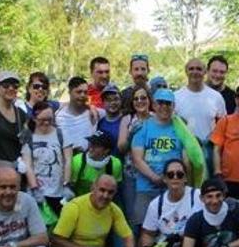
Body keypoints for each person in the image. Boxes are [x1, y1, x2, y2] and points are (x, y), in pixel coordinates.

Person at [140, 160, 203, 247]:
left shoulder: (197, 196)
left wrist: (181, 236)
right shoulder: (155, 205)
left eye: (179, 174)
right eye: (170, 174)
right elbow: (147, 234)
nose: (175, 177)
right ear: (164, 178)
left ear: (185, 178)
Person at [130, 89, 187, 232]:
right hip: (146, 188)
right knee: (144, 229)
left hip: (173, 187)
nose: (164, 107)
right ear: (154, 105)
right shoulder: (143, 127)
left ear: (173, 106)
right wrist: (154, 178)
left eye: (168, 103)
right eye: (160, 103)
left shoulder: (181, 128)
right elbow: (137, 159)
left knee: (172, 229)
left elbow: (186, 158)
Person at [174, 58, 226, 170]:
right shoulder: (176, 97)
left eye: (199, 69)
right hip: (183, 151)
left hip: (208, 150)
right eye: (191, 69)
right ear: (186, 71)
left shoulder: (216, 97)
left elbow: (223, 125)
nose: (195, 72)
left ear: (205, 72)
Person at [22, 101, 73, 216]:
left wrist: (66, 184)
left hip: (58, 191)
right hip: (38, 190)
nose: (46, 123)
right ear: (34, 118)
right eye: (42, 120)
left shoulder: (61, 134)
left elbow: (68, 160)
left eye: (49, 119)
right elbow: (27, 165)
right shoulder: (29, 137)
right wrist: (34, 188)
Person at [118, 85, 152, 223]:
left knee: (152, 215)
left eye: (143, 98)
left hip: (153, 174)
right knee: (133, 217)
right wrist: (131, 134)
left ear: (149, 100)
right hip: (132, 175)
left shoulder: (156, 118)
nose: (140, 101)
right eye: (136, 99)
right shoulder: (128, 119)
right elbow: (121, 148)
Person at [0, 71, 27, 168]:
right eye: (6, 85)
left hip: (16, 170)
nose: (11, 89)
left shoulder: (21, 114)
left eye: (15, 86)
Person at [56, 77, 103, 152]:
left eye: (85, 92)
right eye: (79, 92)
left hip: (85, 161)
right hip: (65, 160)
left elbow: (114, 114)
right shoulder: (58, 116)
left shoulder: (94, 113)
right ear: (70, 92)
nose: (82, 95)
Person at [69, 131, 122, 197]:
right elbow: (70, 187)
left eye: (96, 146)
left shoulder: (116, 164)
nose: (91, 148)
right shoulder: (76, 161)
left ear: (106, 150)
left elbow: (114, 189)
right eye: (91, 143)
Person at [97, 83, 123, 155]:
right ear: (103, 103)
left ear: (121, 100)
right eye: (108, 100)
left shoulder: (127, 121)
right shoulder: (100, 123)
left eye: (116, 99)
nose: (112, 102)